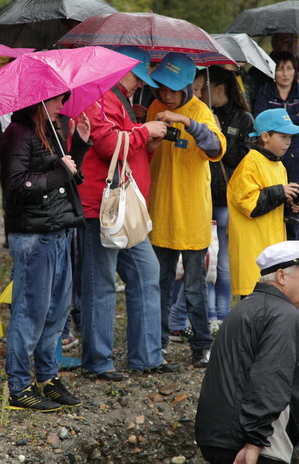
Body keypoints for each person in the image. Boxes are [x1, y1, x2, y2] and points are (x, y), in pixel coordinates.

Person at [78, 46, 177, 381]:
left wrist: (145, 141)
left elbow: (129, 154)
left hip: (125, 209)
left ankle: (147, 356)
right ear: (121, 71)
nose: (140, 85)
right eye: (139, 77)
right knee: (101, 284)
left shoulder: (121, 102)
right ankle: (97, 361)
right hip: (102, 208)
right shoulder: (98, 96)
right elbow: (107, 146)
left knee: (147, 274)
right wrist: (144, 132)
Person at [0, 94, 91, 411]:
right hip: (33, 236)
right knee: (29, 312)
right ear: (36, 102)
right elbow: (15, 185)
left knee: (56, 312)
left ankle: (47, 377)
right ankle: (19, 386)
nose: (61, 105)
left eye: (63, 99)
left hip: (58, 230)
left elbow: (69, 178)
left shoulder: (50, 130)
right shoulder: (18, 133)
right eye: (55, 100)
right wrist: (59, 173)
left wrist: (78, 144)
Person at [195, 240, 299, 464]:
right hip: (255, 448)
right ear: (282, 277)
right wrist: (254, 442)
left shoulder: (243, 307)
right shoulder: (283, 314)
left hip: (216, 438)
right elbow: (270, 378)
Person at [146, 52, 226, 367]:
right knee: (161, 283)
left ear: (187, 88)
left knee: (194, 286)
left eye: (173, 89)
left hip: (192, 214)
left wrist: (186, 122)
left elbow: (217, 148)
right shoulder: (153, 108)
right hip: (161, 211)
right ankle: (159, 342)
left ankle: (201, 346)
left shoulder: (202, 112)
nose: (166, 94)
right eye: (162, 87)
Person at [174, 65, 254, 331]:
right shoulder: (203, 115)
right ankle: (202, 316)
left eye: (202, 88)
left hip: (226, 199)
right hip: (202, 198)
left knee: (223, 263)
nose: (198, 94)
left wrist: (218, 136)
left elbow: (239, 161)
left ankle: (221, 315)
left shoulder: (243, 119)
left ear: (218, 88)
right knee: (202, 263)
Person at [228, 109, 299, 297]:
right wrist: (280, 192)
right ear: (265, 136)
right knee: (254, 301)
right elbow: (249, 204)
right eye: (283, 136)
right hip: (252, 249)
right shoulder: (250, 163)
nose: (288, 142)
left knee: (270, 299)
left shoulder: (279, 165)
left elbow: (273, 203)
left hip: (270, 245)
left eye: (290, 137)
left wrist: (290, 205)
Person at [253, 52, 299, 240]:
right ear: (274, 71)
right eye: (280, 68)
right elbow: (260, 121)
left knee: (295, 205)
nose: (285, 73)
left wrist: (280, 122)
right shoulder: (265, 91)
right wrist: (296, 117)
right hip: (271, 156)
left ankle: (291, 256)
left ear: (295, 72)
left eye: (289, 68)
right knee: (274, 200)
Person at [247, 33, 299, 116]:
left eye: (295, 41)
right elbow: (250, 106)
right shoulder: (259, 72)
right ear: (274, 43)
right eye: (286, 42)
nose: (292, 47)